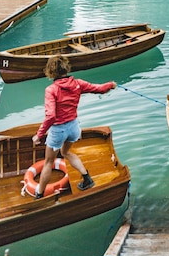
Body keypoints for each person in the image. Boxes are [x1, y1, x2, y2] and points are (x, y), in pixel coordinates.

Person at [32, 55, 116, 198]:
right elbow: (99, 89)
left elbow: (51, 116)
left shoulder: (51, 90)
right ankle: (87, 178)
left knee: (48, 162)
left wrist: (39, 135)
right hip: (73, 128)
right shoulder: (78, 83)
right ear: (66, 68)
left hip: (58, 131)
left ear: (51, 72)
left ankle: (39, 194)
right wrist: (110, 85)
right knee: (65, 153)